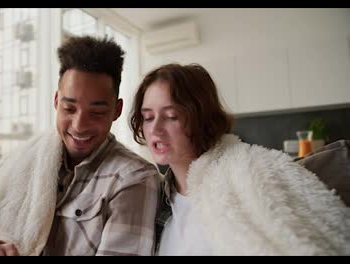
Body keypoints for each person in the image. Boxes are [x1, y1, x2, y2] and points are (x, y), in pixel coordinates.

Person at [0, 36, 159, 256]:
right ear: (56, 102)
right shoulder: (23, 160)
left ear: (117, 110)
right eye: (69, 109)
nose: (79, 126)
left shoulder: (134, 179)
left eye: (97, 112)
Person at [129, 63, 350, 255]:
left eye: (171, 116)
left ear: (201, 118)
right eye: (148, 117)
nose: (155, 129)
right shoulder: (153, 200)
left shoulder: (246, 175)